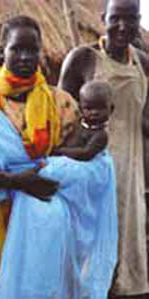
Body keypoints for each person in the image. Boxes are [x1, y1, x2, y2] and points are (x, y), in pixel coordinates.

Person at [0, 15, 117, 299]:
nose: (26, 57)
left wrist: (55, 175)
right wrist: (16, 181)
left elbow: (84, 165)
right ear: (3, 50)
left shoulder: (62, 104)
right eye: (17, 49)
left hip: (50, 232)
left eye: (33, 50)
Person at [58, 0, 149, 297]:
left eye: (131, 18)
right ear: (103, 18)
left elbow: (144, 119)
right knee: (87, 255)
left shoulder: (143, 63)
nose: (123, 26)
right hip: (91, 172)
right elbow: (61, 117)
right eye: (116, 18)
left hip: (130, 174)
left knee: (126, 260)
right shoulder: (83, 59)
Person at [52, 79, 114, 161]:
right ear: (80, 109)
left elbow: (85, 154)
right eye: (89, 108)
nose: (94, 112)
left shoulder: (101, 135)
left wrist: (59, 151)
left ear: (111, 109)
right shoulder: (76, 122)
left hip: (83, 167)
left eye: (101, 108)